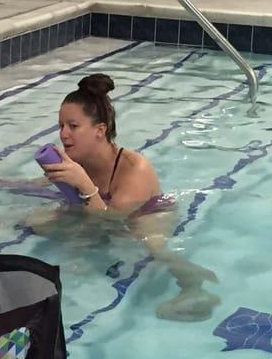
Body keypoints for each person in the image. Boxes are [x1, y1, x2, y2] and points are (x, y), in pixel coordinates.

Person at [41, 73, 220, 322]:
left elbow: (110, 219)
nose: (63, 134)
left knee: (152, 245)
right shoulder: (80, 157)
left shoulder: (135, 168)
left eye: (73, 126)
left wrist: (82, 182)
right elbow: (44, 184)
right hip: (103, 209)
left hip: (146, 213)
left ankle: (194, 286)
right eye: (60, 126)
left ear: (99, 130)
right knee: (38, 222)